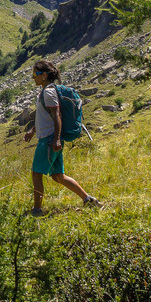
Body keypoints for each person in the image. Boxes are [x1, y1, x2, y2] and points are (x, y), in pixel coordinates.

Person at [23, 59, 101, 214]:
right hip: (52, 138)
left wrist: (56, 139)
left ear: (44, 75)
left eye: (35, 74)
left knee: (37, 174)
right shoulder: (47, 90)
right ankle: (88, 199)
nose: (33, 77)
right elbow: (46, 116)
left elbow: (57, 116)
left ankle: (37, 210)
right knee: (58, 176)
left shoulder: (49, 92)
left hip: (48, 140)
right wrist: (33, 130)